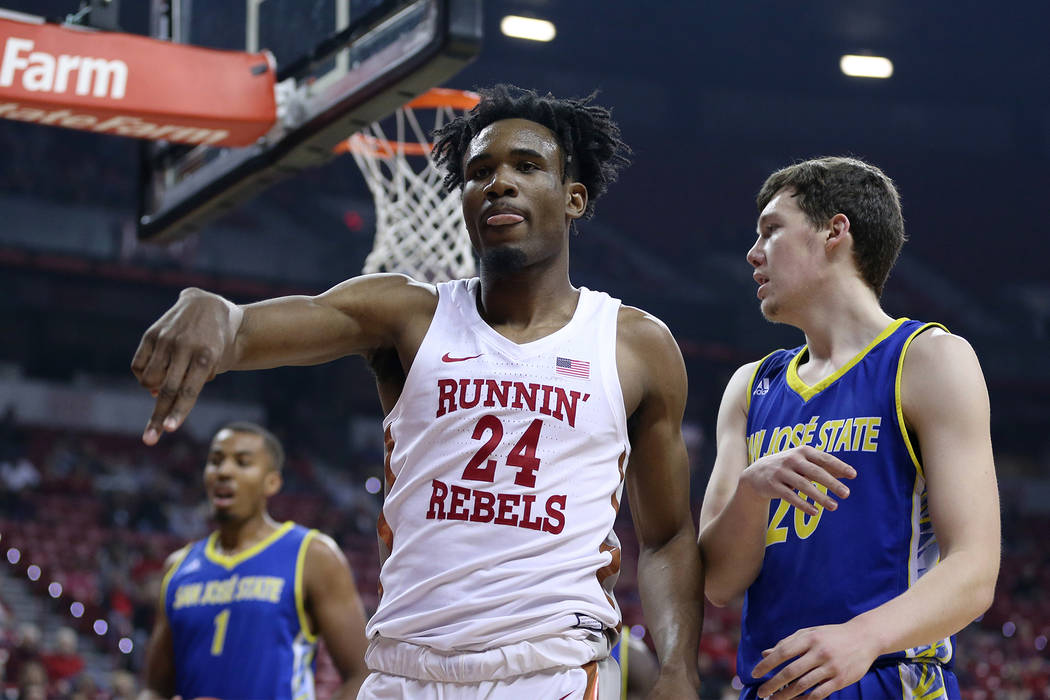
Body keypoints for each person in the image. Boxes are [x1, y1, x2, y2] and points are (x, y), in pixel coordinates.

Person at [131, 84, 703, 699]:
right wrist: (215, 309)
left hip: (549, 667)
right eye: (479, 172)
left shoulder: (635, 344)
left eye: (526, 166)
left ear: (574, 198)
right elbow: (247, 332)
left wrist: (677, 668)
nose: (499, 183)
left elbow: (667, 535)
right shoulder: (406, 313)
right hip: (404, 667)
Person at [697, 156, 1000, 699]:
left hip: (888, 676)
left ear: (835, 231)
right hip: (771, 686)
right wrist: (751, 491)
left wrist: (863, 638)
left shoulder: (928, 359)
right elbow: (719, 583)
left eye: (772, 230)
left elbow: (974, 569)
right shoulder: (750, 386)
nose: (753, 252)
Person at [140, 422, 369, 700]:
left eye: (242, 462)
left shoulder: (312, 555)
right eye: (215, 461)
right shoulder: (178, 567)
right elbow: (154, 690)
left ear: (271, 482)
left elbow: (362, 675)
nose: (224, 471)